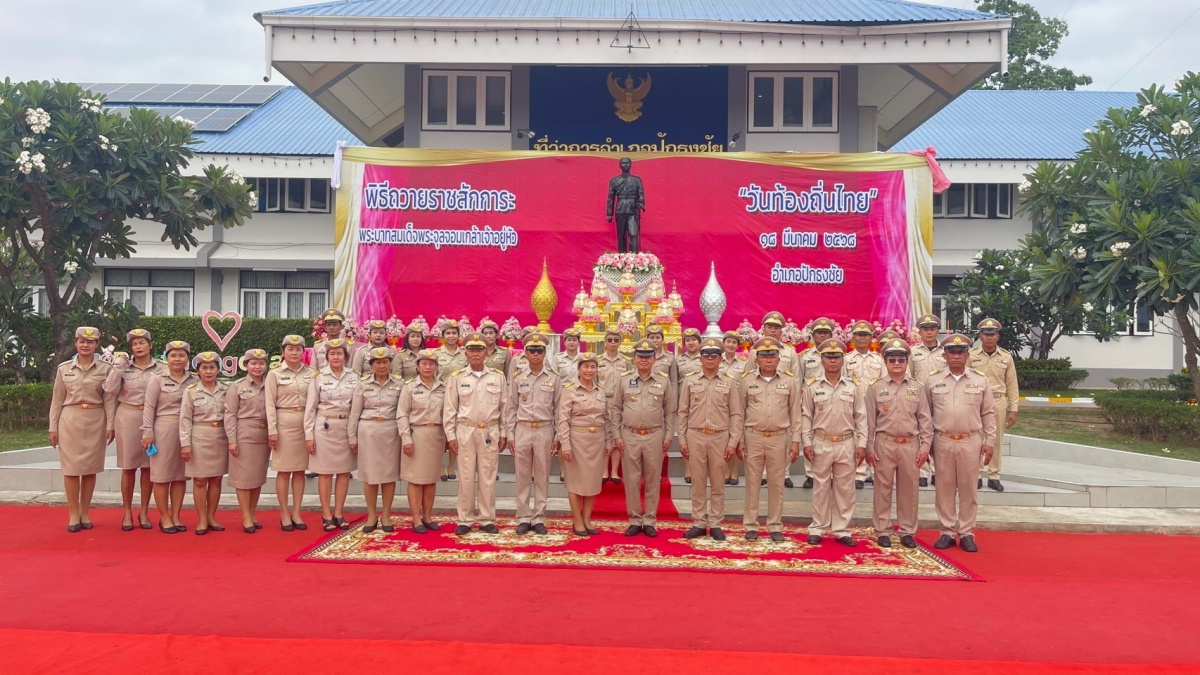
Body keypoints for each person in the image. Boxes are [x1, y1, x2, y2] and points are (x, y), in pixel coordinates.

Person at [927, 333, 997, 553]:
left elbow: (988, 412)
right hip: (942, 440)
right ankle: (946, 531)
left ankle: (967, 532)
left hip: (970, 441)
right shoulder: (932, 380)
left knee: (968, 489)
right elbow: (925, 415)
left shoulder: (980, 379)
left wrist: (990, 441)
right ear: (944, 355)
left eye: (960, 352)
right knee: (944, 488)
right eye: (951, 352)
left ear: (967, 355)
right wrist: (926, 443)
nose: (956, 356)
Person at [864, 339, 933, 549]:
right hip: (885, 442)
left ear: (906, 362)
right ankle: (883, 530)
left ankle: (907, 531)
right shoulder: (875, 388)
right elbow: (869, 420)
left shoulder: (917, 388)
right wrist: (868, 446)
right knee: (882, 489)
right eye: (892, 359)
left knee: (909, 490)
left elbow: (925, 420)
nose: (896, 363)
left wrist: (925, 446)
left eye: (901, 360)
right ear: (885, 362)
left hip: (910, 445)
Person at [49, 326, 117, 532]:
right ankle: (72, 514)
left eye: (90, 342)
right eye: (81, 341)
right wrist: (53, 427)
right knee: (71, 470)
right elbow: (57, 400)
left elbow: (110, 400)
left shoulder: (106, 369)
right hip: (70, 420)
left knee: (89, 469)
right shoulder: (64, 369)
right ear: (76, 343)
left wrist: (111, 425)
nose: (85, 345)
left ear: (96, 344)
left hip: (96, 420)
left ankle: (85, 512)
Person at [801, 339, 867, 547]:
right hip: (821, 442)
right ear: (821, 360)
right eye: (828, 357)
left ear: (842, 360)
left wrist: (862, 444)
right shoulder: (813, 387)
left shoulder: (853, 387)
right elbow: (805, 416)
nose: (832, 361)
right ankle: (818, 528)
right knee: (820, 487)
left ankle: (841, 530)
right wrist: (806, 442)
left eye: (836, 357)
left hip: (846, 443)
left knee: (845, 489)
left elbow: (861, 417)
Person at [608, 338, 676, 538]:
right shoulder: (624, 379)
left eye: (648, 356)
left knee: (653, 479)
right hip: (629, 435)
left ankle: (650, 520)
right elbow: (616, 409)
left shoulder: (663, 381)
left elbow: (669, 411)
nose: (644, 360)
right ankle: (635, 519)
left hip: (654, 435)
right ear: (634, 358)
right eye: (640, 356)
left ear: (655, 359)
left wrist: (669, 435)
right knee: (631, 479)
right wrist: (617, 435)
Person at [678, 338, 743, 541]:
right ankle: (698, 521)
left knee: (718, 483)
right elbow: (683, 411)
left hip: (719, 436)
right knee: (697, 482)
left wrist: (733, 442)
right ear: (701, 358)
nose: (709, 359)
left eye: (714, 355)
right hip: (695, 435)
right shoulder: (690, 380)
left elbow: (736, 414)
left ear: (720, 358)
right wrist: (681, 439)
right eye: (706, 355)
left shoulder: (729, 381)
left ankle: (715, 522)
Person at [444, 332, 508, 535]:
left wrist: (504, 433)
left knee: (488, 476)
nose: (476, 354)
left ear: (486, 353)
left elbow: (505, 408)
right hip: (466, 430)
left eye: (479, 350)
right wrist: (451, 436)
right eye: (471, 350)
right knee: (465, 476)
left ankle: (487, 519)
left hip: (489, 430)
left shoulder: (498, 377)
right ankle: (465, 519)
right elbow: (449, 409)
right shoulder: (457, 378)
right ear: (466, 353)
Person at [737, 337, 801, 542]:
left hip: (778, 438)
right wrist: (739, 439)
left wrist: (796, 440)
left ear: (778, 359)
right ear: (757, 359)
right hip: (753, 436)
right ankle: (751, 525)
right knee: (753, 483)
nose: (768, 360)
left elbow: (795, 413)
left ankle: (774, 525)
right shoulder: (747, 380)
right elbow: (740, 412)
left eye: (772, 356)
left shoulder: (789, 381)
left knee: (777, 484)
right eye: (764, 356)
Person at [104, 328, 164, 531]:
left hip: (154, 420)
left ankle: (145, 511)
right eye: (134, 344)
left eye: (142, 343)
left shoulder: (161, 368)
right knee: (128, 468)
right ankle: (127, 512)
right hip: (128, 418)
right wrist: (118, 366)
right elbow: (110, 390)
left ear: (150, 345)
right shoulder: (124, 367)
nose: (138, 347)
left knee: (149, 468)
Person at [503, 333, 560, 535]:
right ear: (525, 353)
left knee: (543, 475)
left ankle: (539, 517)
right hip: (523, 429)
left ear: (545, 353)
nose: (536, 354)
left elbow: (559, 409)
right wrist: (510, 435)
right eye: (532, 350)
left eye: (540, 350)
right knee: (523, 474)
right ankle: (523, 517)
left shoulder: (554, 378)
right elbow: (510, 408)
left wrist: (558, 436)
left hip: (545, 428)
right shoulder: (518, 378)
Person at [142, 340, 198, 534]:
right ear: (166, 358)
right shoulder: (156, 379)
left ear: (187, 359)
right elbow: (149, 407)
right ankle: (164, 517)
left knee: (180, 476)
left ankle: (176, 515)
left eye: (181, 355)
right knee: (161, 476)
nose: (177, 359)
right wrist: (147, 432)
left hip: (188, 430)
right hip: (164, 427)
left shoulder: (194, 380)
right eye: (173, 355)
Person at [305, 337, 358, 532]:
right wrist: (308, 435)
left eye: (340, 353)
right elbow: (310, 408)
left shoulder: (354, 377)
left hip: (346, 428)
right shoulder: (318, 377)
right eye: (332, 354)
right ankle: (326, 514)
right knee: (325, 473)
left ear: (346, 356)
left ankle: (338, 513)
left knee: (344, 472)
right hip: (324, 428)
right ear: (326, 356)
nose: (336, 357)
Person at [349, 347, 403, 533]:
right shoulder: (363, 384)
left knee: (389, 476)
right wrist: (352, 437)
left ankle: (386, 514)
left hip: (391, 432)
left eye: (385, 362)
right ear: (371, 365)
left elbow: (404, 412)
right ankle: (372, 515)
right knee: (370, 477)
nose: (382, 365)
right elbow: (354, 413)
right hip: (369, 431)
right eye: (378, 362)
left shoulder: (400, 384)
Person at [557, 352, 611, 535]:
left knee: (592, 483)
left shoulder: (600, 391)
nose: (589, 370)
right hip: (576, 441)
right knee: (575, 483)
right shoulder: (570, 390)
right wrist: (565, 445)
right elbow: (563, 420)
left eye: (593, 367)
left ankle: (587, 519)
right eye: (586, 367)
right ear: (578, 369)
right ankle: (577, 520)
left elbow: (607, 419)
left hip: (596, 441)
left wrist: (608, 442)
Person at [266, 334, 316, 532]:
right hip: (283, 423)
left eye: (298, 349)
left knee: (299, 470)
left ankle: (296, 512)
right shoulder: (275, 374)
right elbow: (269, 403)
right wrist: (272, 429)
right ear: (283, 351)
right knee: (284, 470)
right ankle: (284, 513)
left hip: (305, 423)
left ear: (303, 352)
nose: (294, 353)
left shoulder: (311, 373)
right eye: (290, 349)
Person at [179, 352, 230, 535]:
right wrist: (185, 443)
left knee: (216, 479)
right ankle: (201, 519)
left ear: (218, 369)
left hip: (220, 436)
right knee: (200, 480)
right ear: (198, 371)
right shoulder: (191, 390)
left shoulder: (226, 390)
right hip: (198, 436)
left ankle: (211, 516)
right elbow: (185, 419)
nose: (208, 371)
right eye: (204, 368)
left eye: (212, 367)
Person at [398, 349, 448, 533]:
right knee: (416, 479)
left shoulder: (443, 387)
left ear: (436, 366)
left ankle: (427, 515)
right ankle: (416, 518)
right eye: (424, 363)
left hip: (436, 435)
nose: (428, 367)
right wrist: (406, 439)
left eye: (431, 363)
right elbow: (402, 414)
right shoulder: (410, 387)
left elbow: (449, 414)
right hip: (416, 434)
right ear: (417, 366)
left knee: (431, 479)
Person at [969, 318, 1018, 492]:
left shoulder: (1006, 356)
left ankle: (994, 475)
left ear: (998, 336)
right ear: (980, 336)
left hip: (997, 401)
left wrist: (1014, 408)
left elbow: (1012, 384)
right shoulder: (971, 355)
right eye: (985, 334)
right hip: (976, 401)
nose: (989, 337)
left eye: (993, 334)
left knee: (996, 440)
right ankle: (976, 475)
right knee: (976, 439)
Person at [225, 348, 270, 533]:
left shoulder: (270, 384)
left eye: (261, 363)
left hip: (263, 435)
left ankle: (252, 513)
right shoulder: (237, 386)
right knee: (243, 479)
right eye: (253, 363)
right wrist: (232, 440)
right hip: (244, 434)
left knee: (257, 478)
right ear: (246, 365)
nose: (257, 366)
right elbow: (229, 414)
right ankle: (245, 516)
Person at [843, 320, 884, 489]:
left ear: (871, 338)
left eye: (866, 335)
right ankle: (859, 474)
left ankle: (875, 473)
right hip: (854, 403)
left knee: (875, 437)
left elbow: (884, 382)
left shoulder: (879, 359)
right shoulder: (846, 359)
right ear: (853, 338)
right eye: (859, 335)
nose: (862, 338)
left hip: (875, 403)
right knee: (857, 436)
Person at [911, 313, 945, 487]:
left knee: (939, 436)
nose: (929, 333)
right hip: (919, 399)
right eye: (925, 330)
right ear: (920, 332)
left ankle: (938, 472)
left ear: (938, 331)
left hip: (941, 399)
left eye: (932, 329)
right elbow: (909, 376)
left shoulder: (945, 352)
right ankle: (923, 472)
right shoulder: (913, 352)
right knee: (921, 435)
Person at [597, 327, 631, 484]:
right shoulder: (598, 361)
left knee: (618, 435)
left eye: (616, 340)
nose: (612, 343)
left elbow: (631, 382)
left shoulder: (626, 362)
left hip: (620, 403)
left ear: (620, 342)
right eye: (609, 340)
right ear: (605, 342)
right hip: (602, 401)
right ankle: (603, 470)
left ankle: (615, 471)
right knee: (604, 436)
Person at [434, 320, 468, 481]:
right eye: (448, 333)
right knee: (440, 431)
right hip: (440, 396)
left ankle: (451, 466)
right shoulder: (436, 354)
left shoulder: (465, 354)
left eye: (454, 333)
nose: (451, 336)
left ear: (459, 335)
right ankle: (440, 466)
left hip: (461, 397)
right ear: (443, 336)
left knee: (456, 431)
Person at [719, 330, 748, 486]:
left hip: (738, 403)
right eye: (728, 342)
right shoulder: (717, 360)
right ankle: (725, 470)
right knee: (723, 436)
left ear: (738, 345)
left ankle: (735, 470)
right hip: (720, 403)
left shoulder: (743, 362)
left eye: (734, 342)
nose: (730, 345)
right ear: (723, 343)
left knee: (737, 436)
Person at [606, 156, 646, 253]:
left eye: (627, 163)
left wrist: (641, 203)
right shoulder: (614, 180)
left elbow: (640, 194)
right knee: (621, 235)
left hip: (633, 209)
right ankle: (622, 258)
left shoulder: (636, 180)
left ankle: (634, 260)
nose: (625, 165)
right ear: (620, 165)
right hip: (620, 209)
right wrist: (609, 213)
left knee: (633, 234)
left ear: (631, 165)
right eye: (623, 163)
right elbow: (611, 197)